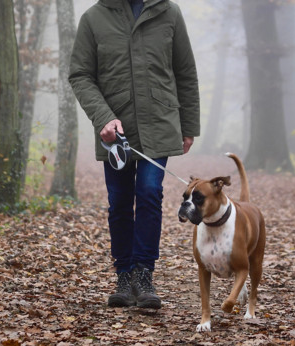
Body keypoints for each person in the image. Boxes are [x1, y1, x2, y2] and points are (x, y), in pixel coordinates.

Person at [69, 0, 199, 309]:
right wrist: (103, 117)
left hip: (160, 122)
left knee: (150, 191)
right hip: (115, 129)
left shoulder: (169, 12)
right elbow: (80, 74)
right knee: (120, 202)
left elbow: (185, 72)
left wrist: (189, 124)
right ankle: (124, 276)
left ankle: (144, 274)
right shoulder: (94, 18)